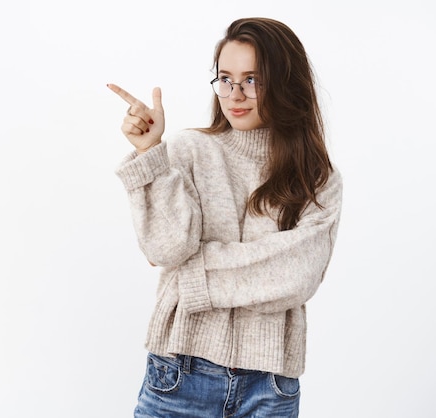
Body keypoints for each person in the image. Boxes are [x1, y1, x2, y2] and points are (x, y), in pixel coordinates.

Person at [106, 17, 342, 418]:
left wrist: (191, 276)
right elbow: (166, 249)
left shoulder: (317, 177)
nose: (235, 94)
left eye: (253, 79)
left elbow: (297, 275)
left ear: (286, 82)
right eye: (225, 78)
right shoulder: (189, 151)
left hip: (270, 386)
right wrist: (151, 156)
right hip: (180, 371)